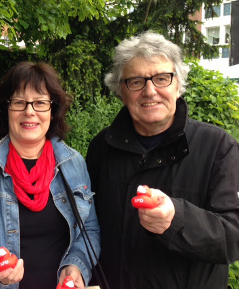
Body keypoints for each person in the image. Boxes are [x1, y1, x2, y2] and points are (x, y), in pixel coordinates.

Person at [86, 30, 239, 289]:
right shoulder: (102, 147)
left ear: (178, 84)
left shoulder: (218, 147)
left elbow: (233, 238)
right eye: (136, 81)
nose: (149, 91)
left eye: (161, 78)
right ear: (120, 91)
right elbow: (88, 227)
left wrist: (176, 219)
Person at [0, 61, 100, 289]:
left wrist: (77, 266)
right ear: (5, 108)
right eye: (19, 102)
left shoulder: (73, 164)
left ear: (53, 111)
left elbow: (89, 231)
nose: (29, 111)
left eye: (40, 103)